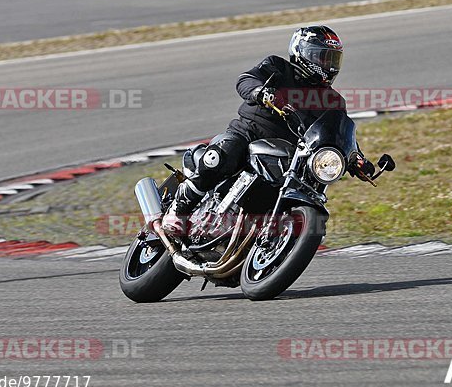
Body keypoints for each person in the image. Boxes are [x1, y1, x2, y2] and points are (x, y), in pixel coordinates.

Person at [161, 25, 375, 235]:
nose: (328, 65)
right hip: (249, 132)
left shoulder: (334, 101)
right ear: (303, 52)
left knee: (304, 183)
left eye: (332, 59)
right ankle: (178, 210)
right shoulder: (278, 67)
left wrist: (356, 158)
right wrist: (260, 92)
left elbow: (338, 132)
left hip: (288, 153)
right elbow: (246, 79)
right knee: (222, 156)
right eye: (323, 57)